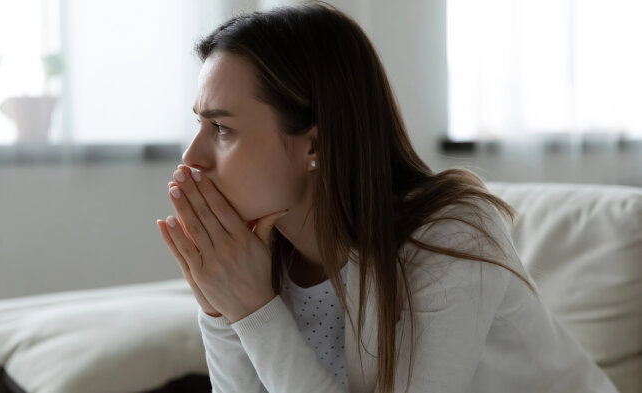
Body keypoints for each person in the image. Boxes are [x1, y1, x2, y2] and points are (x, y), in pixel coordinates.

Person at [156, 2, 620, 392]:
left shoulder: (453, 235)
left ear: (314, 145)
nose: (191, 157)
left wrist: (252, 311)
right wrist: (221, 311)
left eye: (221, 128)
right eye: (199, 125)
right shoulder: (258, 258)